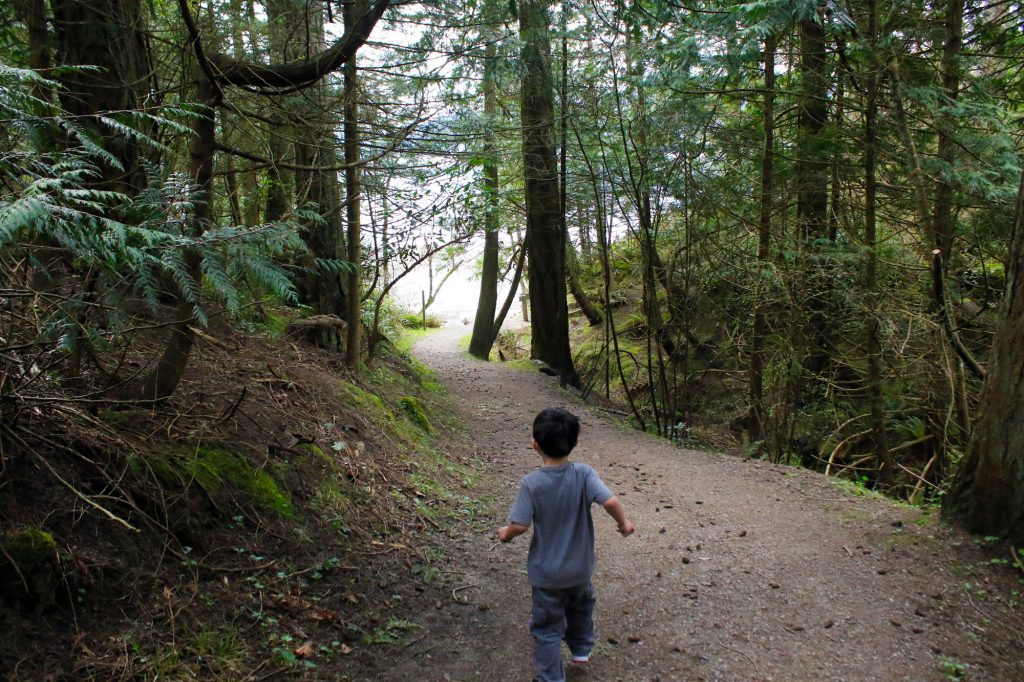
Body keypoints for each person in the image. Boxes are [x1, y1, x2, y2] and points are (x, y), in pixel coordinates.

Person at [497, 407, 635, 682]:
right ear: (575, 443)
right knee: (580, 608)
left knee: (547, 628)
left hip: (547, 575)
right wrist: (623, 524)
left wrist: (506, 533)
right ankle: (582, 650)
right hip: (581, 570)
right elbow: (609, 501)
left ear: (534, 443)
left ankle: (551, 677)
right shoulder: (584, 474)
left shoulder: (531, 484)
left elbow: (521, 525)